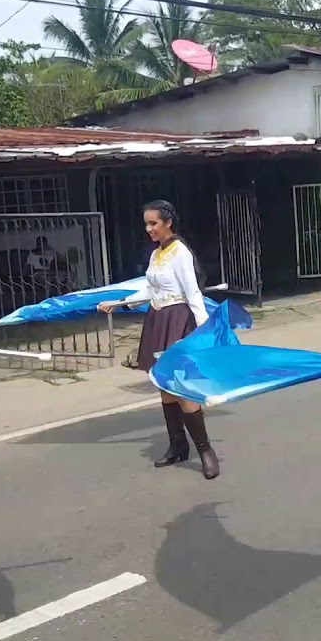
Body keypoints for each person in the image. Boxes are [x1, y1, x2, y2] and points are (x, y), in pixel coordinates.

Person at [100, 200, 218, 479]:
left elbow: (193, 293)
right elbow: (150, 289)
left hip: (178, 320)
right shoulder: (156, 255)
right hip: (157, 320)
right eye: (147, 224)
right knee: (164, 385)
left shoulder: (180, 253)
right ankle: (178, 445)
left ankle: (205, 451)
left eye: (153, 223)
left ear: (168, 223)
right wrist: (120, 303)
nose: (149, 228)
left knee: (182, 386)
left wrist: (204, 330)